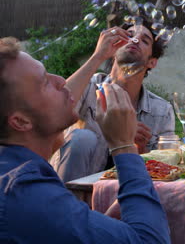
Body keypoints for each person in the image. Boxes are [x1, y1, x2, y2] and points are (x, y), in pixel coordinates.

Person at [0, 36, 170, 243]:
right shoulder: (23, 192)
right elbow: (150, 240)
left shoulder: (14, 173)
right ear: (21, 121)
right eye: (44, 82)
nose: (61, 81)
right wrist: (124, 146)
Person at [50, 19, 175, 182]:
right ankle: (64, 204)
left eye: (144, 40)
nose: (134, 40)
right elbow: (55, 108)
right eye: (129, 35)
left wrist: (135, 147)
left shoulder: (162, 110)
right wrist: (98, 55)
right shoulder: (88, 87)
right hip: (76, 185)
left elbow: (163, 167)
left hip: (123, 191)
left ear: (152, 62)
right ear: (115, 48)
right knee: (82, 137)